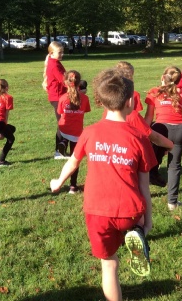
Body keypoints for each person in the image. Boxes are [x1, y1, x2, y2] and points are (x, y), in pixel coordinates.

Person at [50, 69, 156, 301]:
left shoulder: (90, 133)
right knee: (134, 219)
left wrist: (58, 182)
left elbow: (73, 162)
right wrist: (147, 222)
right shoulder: (139, 138)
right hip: (130, 210)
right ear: (130, 102)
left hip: (97, 210)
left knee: (109, 264)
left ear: (101, 102)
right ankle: (136, 231)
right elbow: (144, 187)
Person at [144, 66, 182, 211]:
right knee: (174, 166)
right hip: (180, 128)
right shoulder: (180, 93)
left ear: (163, 77)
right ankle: (172, 203)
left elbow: (149, 117)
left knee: (150, 160)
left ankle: (146, 188)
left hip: (161, 129)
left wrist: (142, 133)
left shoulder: (154, 92)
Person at [57, 70, 91, 193]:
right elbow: (86, 110)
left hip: (64, 129)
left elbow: (60, 112)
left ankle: (63, 142)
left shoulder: (62, 98)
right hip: (77, 132)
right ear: (79, 83)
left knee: (64, 131)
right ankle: (73, 186)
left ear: (65, 83)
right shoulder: (85, 98)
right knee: (75, 159)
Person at [42, 41, 67, 159]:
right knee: (62, 123)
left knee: (63, 123)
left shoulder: (56, 62)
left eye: (62, 52)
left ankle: (60, 150)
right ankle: (58, 151)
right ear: (51, 53)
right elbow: (63, 80)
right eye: (60, 52)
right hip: (57, 98)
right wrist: (76, 85)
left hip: (59, 97)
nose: (62, 54)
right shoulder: (54, 65)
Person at [0, 79, 16, 167]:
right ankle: (1, 161)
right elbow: (6, 114)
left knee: (12, 128)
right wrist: (4, 125)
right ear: (7, 87)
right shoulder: (8, 97)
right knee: (11, 139)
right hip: (0, 122)